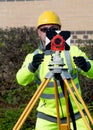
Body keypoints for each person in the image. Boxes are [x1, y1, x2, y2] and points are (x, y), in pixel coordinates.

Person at [16, 10, 93, 130]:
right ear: (38, 33)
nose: (49, 33)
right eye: (44, 29)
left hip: (76, 114)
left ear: (59, 30)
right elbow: (21, 80)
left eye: (53, 28)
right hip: (47, 117)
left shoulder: (72, 52)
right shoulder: (33, 57)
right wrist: (31, 67)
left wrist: (87, 66)